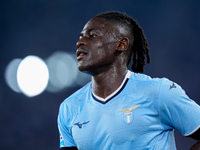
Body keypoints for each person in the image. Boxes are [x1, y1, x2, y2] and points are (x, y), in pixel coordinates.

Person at [57, 11, 200, 150]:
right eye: (80, 37)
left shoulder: (159, 92)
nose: (80, 43)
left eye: (92, 35)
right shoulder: (69, 107)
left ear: (121, 44)